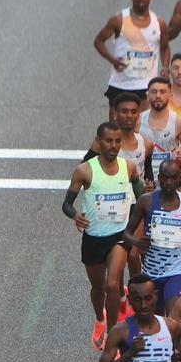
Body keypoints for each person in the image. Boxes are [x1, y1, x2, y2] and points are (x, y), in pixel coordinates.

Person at [64, 122, 144, 349]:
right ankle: (99, 319)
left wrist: (146, 197)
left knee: (112, 285)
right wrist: (75, 216)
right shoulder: (84, 170)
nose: (114, 145)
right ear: (98, 142)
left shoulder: (128, 167)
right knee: (99, 289)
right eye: (108, 141)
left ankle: (112, 336)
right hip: (93, 239)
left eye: (118, 141)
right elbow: (66, 204)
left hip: (118, 237)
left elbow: (141, 199)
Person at [126, 158, 181, 315]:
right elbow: (126, 234)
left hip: (176, 271)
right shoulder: (146, 202)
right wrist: (137, 242)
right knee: (155, 322)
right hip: (151, 273)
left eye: (173, 177)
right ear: (158, 178)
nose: (169, 182)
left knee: (174, 317)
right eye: (165, 177)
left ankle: (177, 340)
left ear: (179, 178)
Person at [95, 0, 167, 106]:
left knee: (143, 126)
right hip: (121, 84)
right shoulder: (119, 20)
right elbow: (98, 41)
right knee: (116, 126)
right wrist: (112, 59)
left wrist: (166, 67)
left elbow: (165, 47)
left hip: (146, 85)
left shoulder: (159, 23)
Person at [139, 75, 181, 182]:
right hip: (145, 178)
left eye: (162, 92)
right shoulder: (138, 121)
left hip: (169, 180)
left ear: (170, 96)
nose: (158, 96)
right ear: (147, 96)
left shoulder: (178, 122)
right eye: (153, 92)